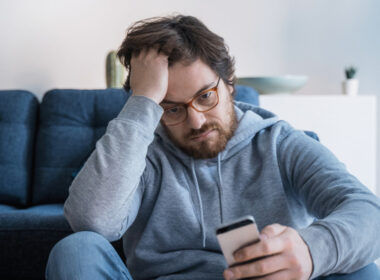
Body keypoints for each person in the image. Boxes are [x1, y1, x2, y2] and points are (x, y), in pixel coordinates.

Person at [46, 15, 380, 280]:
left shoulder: (279, 142)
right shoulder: (143, 155)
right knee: (77, 250)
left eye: (206, 96)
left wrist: (311, 250)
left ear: (231, 84)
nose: (195, 121)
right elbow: (93, 222)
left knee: (361, 269)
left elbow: (368, 213)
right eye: (171, 107)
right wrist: (144, 101)